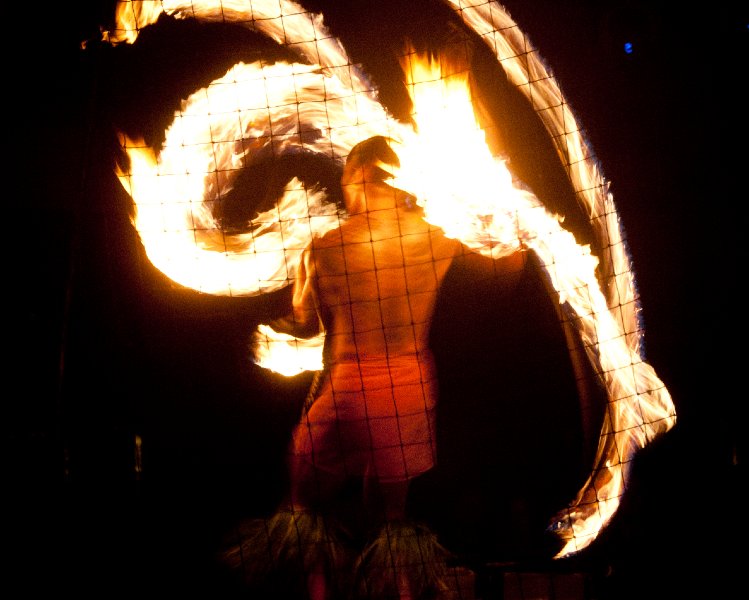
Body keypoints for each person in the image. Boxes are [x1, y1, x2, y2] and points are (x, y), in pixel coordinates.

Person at [224, 136, 523, 599]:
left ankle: (316, 592)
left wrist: (268, 331)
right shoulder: (438, 234)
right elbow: (508, 258)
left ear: (357, 177)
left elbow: (306, 324)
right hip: (410, 388)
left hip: (349, 387)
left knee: (303, 505)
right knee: (392, 521)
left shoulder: (325, 246)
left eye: (346, 178)